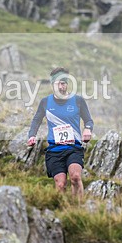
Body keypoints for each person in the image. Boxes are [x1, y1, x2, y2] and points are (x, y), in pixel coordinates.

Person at [26, 67, 93, 199]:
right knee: (61, 185)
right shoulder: (45, 102)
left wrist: (88, 129)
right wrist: (32, 136)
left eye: (63, 83)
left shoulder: (78, 100)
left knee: (75, 177)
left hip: (73, 148)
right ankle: (62, 209)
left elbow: (88, 120)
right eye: (58, 84)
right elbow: (36, 120)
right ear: (53, 85)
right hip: (54, 150)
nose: (61, 87)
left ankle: (78, 207)